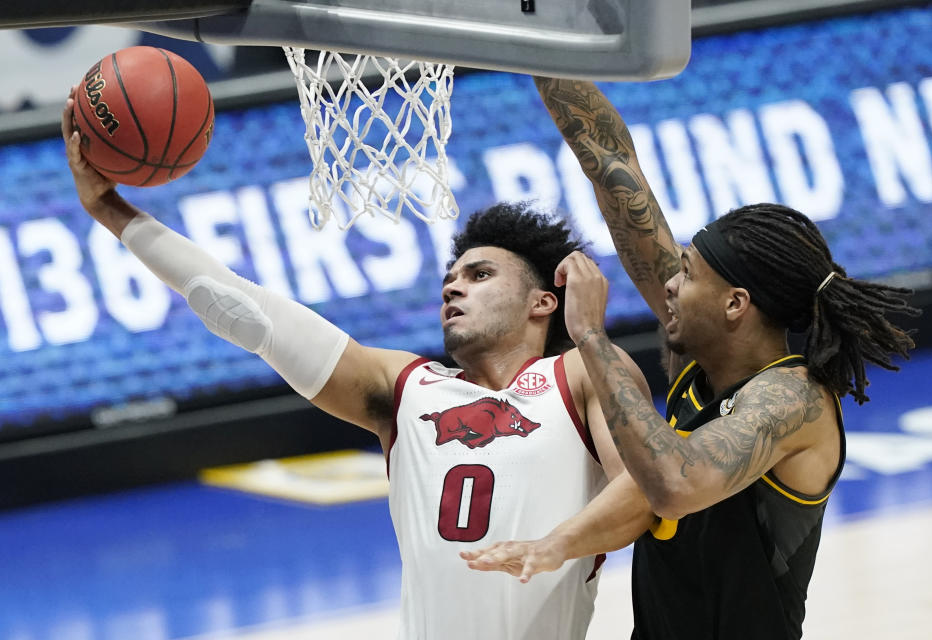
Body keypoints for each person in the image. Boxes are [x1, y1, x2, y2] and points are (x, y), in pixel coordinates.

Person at [61, 87, 655, 640]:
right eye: (449, 279)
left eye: (479, 276)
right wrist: (109, 209)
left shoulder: (580, 373)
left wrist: (554, 545)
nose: (453, 289)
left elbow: (645, 488)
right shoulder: (407, 388)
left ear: (542, 302)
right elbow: (243, 310)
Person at [463, 78, 918, 639]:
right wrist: (540, 50)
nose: (669, 285)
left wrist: (592, 337)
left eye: (687, 272)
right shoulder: (701, 363)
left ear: (735, 305)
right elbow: (611, 162)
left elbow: (676, 486)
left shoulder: (792, 397)